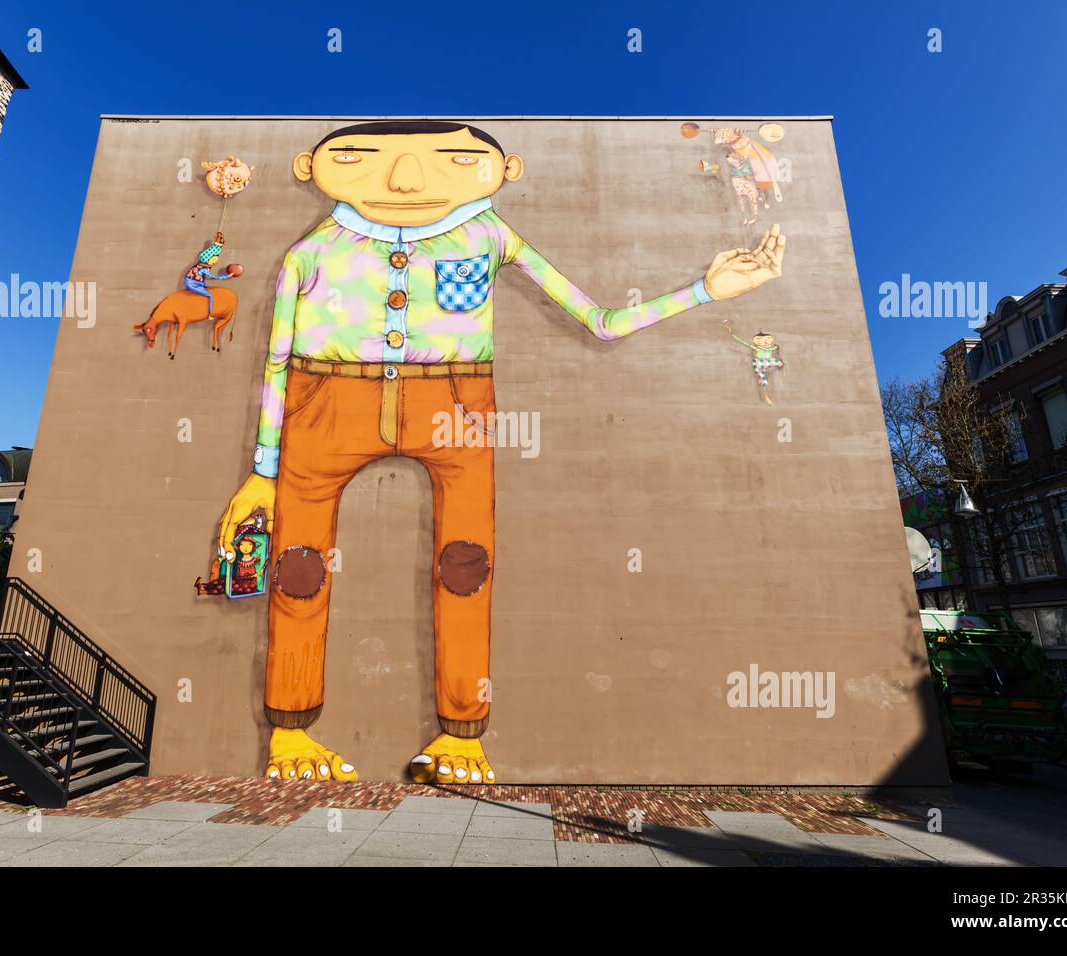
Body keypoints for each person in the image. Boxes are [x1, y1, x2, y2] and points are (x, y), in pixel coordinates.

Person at [217, 121, 787, 784]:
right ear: (309, 166)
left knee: (466, 565)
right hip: (324, 405)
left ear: (506, 169)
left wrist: (704, 292)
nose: (405, 180)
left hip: (456, 405)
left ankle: (462, 735)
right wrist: (262, 472)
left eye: (455, 160)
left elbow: (598, 321)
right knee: (298, 566)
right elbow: (277, 360)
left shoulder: (491, 236)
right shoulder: (310, 251)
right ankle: (289, 733)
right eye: (358, 159)